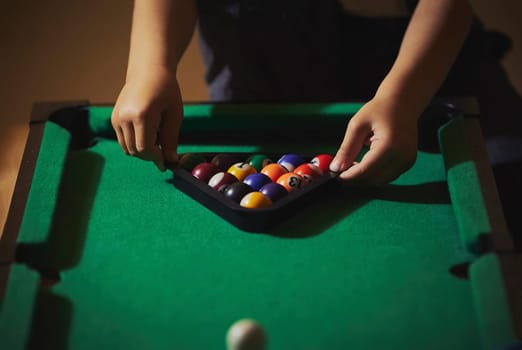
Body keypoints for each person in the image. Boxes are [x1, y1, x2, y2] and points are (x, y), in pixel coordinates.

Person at [111, 0, 522, 237]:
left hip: (427, 74)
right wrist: (149, 67)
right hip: (262, 78)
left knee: (506, 206)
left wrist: (403, 99)